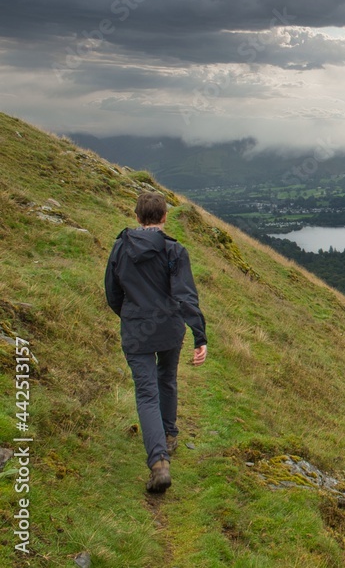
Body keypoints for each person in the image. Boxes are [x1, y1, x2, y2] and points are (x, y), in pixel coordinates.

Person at [104, 192, 208, 493]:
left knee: (147, 392)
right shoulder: (174, 251)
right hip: (170, 328)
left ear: (137, 217)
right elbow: (185, 295)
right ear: (164, 217)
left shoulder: (121, 247)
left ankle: (159, 462)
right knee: (167, 379)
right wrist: (199, 336)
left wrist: (129, 316)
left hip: (137, 330)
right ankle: (169, 435)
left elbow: (113, 293)